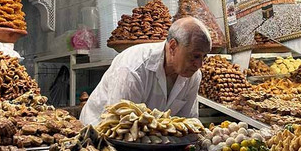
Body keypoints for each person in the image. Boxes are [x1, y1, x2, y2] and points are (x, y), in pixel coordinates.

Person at [79, 17, 212, 125]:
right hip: (98, 135)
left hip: (150, 141)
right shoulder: (133, 67)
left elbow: (187, 123)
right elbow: (120, 125)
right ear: (172, 46)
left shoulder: (193, 76)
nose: (199, 64)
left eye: (203, 57)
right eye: (195, 56)